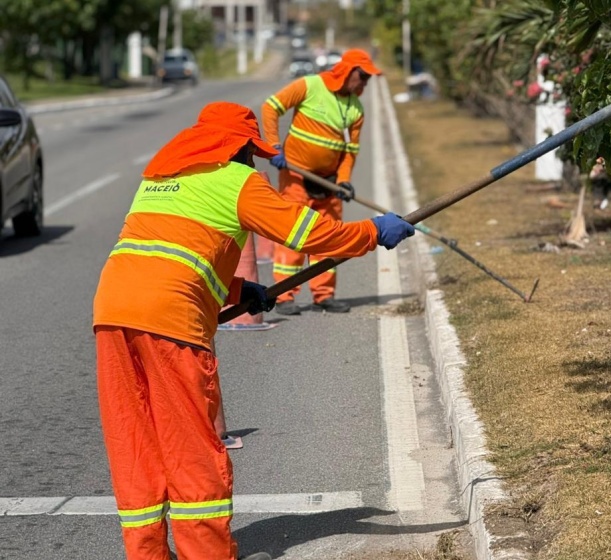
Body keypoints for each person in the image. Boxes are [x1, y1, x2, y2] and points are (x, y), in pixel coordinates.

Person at [92, 101, 414, 560]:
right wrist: (371, 232)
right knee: (192, 449)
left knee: (136, 442)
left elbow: (170, 254)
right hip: (169, 320)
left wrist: (239, 288)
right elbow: (307, 233)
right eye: (253, 153)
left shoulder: (161, 180)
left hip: (111, 313)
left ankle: (146, 554)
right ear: (240, 148)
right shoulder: (238, 180)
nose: (255, 161)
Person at [261, 48, 381, 315]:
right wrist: (274, 147)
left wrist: (345, 180)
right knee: (293, 234)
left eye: (368, 79)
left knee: (330, 237)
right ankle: (284, 295)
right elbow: (271, 108)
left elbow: (351, 151)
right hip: (295, 176)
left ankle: (324, 295)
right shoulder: (310, 85)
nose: (364, 83)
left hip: (329, 183)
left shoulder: (355, 108)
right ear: (348, 71)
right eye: (362, 77)